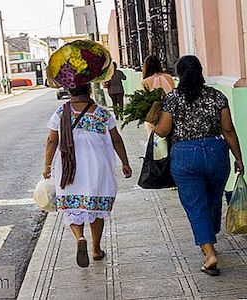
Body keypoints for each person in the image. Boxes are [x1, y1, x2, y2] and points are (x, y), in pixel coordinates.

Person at [43, 40, 132, 268]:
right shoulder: (101, 113)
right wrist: (125, 163)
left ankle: (79, 237)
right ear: (90, 88)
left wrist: (46, 166)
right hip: (97, 166)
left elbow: (52, 140)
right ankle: (95, 248)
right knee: (95, 207)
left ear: (69, 90)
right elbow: (116, 139)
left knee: (74, 206)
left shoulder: (60, 113)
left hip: (69, 168)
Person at [155, 55, 244, 276]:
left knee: (196, 205)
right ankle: (209, 232)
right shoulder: (217, 96)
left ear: (179, 73)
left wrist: (154, 121)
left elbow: (163, 131)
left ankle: (209, 252)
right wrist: (239, 158)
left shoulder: (172, 99)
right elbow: (228, 129)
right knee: (214, 199)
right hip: (216, 152)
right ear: (201, 71)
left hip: (185, 155)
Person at [142, 55, 175, 137]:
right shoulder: (169, 77)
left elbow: (144, 101)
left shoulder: (145, 81)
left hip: (155, 115)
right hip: (171, 111)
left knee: (155, 139)